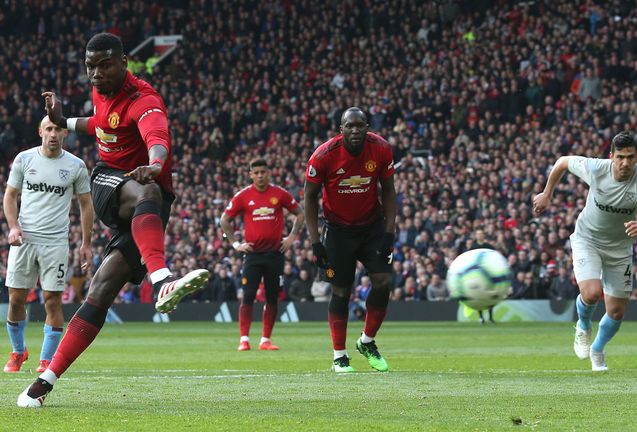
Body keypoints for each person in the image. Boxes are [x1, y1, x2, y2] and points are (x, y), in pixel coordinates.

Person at [18, 33, 210, 408]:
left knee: (102, 289)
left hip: (144, 197)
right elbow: (103, 125)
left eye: (104, 65)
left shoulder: (145, 100)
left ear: (125, 62)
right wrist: (65, 121)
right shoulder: (103, 91)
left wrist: (156, 163)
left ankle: (43, 382)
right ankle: (163, 280)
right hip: (110, 182)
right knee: (147, 193)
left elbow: (157, 135)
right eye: (90, 66)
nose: (96, 74)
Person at [532, 131, 637, 371]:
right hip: (588, 240)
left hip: (620, 248)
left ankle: (597, 349)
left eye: (630, 157)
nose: (625, 163)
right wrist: (547, 192)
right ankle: (583, 326)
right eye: (620, 157)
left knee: (616, 312)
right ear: (611, 156)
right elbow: (562, 161)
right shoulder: (595, 168)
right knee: (593, 293)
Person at [304, 107, 396, 373]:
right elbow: (309, 198)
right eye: (349, 126)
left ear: (367, 127)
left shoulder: (380, 149)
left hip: (372, 227)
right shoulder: (323, 156)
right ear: (340, 129)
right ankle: (339, 356)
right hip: (337, 231)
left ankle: (367, 341)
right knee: (341, 291)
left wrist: (389, 232)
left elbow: (389, 191)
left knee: (383, 282)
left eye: (359, 126)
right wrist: (315, 242)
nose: (354, 130)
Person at [3, 116, 94, 374]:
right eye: (49, 129)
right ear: (40, 131)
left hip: (55, 242)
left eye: (58, 129)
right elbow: (10, 196)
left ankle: (46, 360)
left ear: (65, 133)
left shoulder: (75, 166)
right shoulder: (24, 159)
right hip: (25, 239)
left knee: (52, 300)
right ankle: (18, 352)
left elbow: (86, 205)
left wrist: (86, 242)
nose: (53, 134)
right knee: (16, 298)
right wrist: (13, 226)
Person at [220, 158, 304, 351]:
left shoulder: (279, 194)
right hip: (252, 255)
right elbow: (225, 220)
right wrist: (235, 244)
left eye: (263, 172)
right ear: (251, 175)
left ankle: (265, 340)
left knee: (272, 298)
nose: (260, 176)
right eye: (256, 173)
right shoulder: (243, 196)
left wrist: (291, 238)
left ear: (269, 173)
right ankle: (244, 339)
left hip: (275, 254)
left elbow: (299, 213)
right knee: (248, 296)